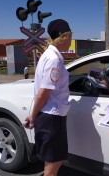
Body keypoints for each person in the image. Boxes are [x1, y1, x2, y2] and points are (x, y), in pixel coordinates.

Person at [23, 19, 72, 176]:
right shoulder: (54, 59)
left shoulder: (49, 55)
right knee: (53, 164)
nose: (71, 39)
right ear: (62, 36)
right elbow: (44, 91)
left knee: (51, 161)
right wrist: (32, 115)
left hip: (50, 116)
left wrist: (34, 115)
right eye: (70, 35)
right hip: (52, 117)